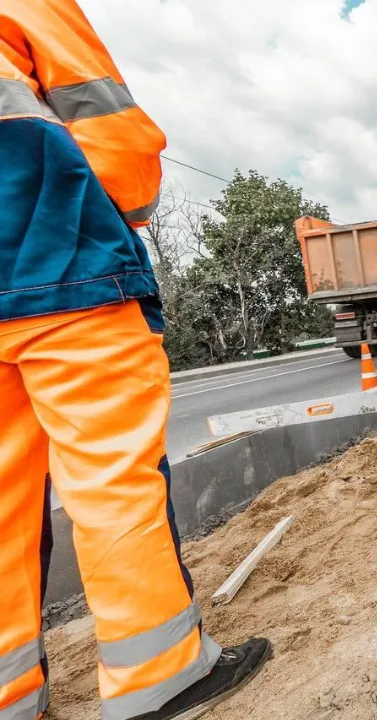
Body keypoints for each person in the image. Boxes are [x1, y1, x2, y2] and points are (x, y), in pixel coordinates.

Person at [0, 3, 269, 719]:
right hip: (62, 269)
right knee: (111, 479)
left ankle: (11, 695)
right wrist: (125, 214)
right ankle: (159, 675)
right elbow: (116, 141)